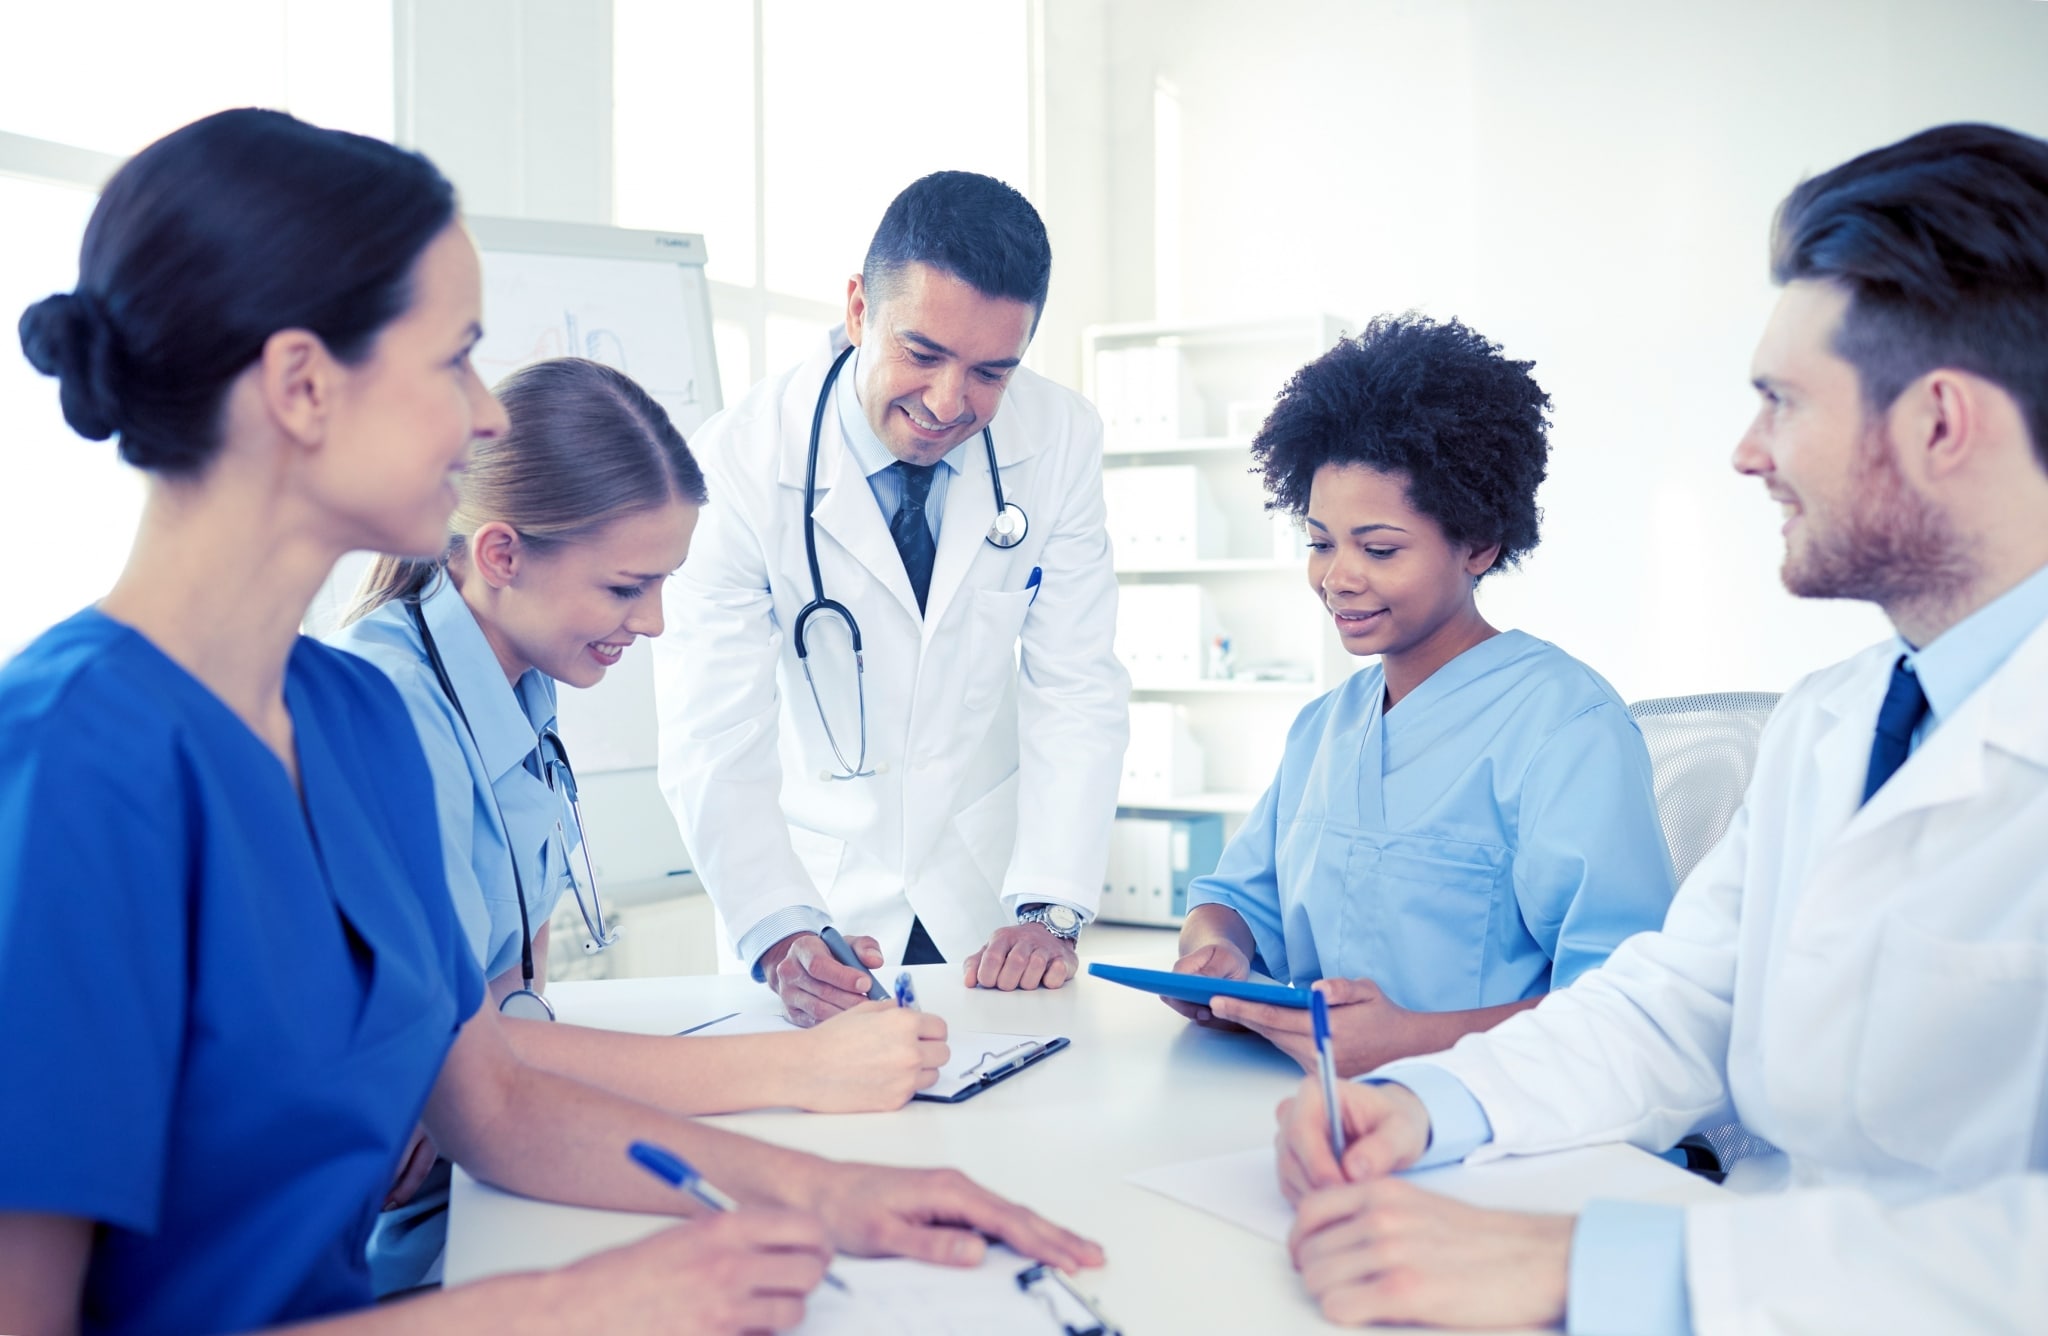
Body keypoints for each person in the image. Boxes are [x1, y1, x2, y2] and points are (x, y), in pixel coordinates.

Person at [0, 109, 1097, 1336]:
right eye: (454, 358)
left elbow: (500, 1110)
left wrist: (838, 1194)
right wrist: (575, 1306)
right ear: (304, 385)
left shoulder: (350, 720)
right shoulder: (70, 762)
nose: (485, 418)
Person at [1273, 123, 2048, 1334]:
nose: (1746, 453)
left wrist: (1604, 1269)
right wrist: (1432, 1103)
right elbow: (1673, 1001)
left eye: (1780, 402)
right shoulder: (1834, 720)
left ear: (1938, 422)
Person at [331, 356, 950, 1295]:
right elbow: (479, 1059)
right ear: (501, 555)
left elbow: (504, 996)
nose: (654, 621)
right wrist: (799, 1069)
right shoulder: (394, 715)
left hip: (478, 1178)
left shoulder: (516, 678)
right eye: (626, 587)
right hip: (389, 1237)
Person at [655, 171, 1129, 1024]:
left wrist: (1051, 905)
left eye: (991, 372)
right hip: (815, 900)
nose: (950, 403)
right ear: (857, 311)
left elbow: (1076, 683)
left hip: (990, 899)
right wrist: (776, 927)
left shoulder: (1058, 439)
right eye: (922, 354)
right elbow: (711, 728)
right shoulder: (739, 460)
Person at [1165, 315, 1676, 1077]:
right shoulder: (1324, 728)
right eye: (1319, 542)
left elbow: (1628, 1004)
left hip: (1496, 1131)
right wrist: (1214, 951)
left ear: (1478, 543)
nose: (1337, 577)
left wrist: (1413, 1040)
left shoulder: (1567, 728)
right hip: (1312, 1110)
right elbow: (1236, 899)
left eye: (1378, 549)